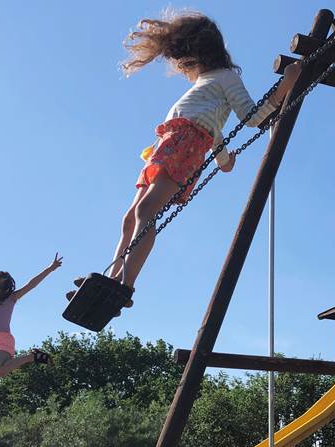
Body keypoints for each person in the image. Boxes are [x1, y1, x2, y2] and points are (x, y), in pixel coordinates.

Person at [68, 10, 301, 303]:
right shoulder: (204, 85)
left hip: (184, 147)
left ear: (197, 53)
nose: (179, 66)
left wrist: (286, 86)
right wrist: (224, 159)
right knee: (131, 217)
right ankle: (111, 279)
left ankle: (126, 286)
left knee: (145, 212)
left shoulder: (225, 77)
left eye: (181, 60)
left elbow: (251, 118)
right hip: (166, 148)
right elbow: (214, 129)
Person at [0, 234, 62, 391]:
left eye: (5, 288)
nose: (2, 291)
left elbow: (32, 284)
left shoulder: (11, 299)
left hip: (4, 342)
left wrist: (50, 268)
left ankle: (33, 357)